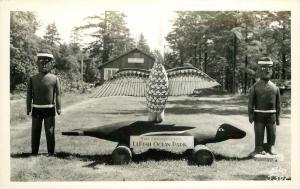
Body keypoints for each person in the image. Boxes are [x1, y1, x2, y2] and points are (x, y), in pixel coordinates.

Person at [26, 50, 61, 155]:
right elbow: (29, 95)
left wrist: (59, 107)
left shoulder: (55, 79)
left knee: (50, 132)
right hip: (36, 109)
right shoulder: (32, 79)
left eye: (47, 62)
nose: (44, 65)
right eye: (41, 62)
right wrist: (28, 107)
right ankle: (34, 152)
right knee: (35, 131)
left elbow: (58, 94)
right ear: (37, 63)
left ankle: (51, 152)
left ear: (51, 64)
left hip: (49, 108)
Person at [248, 57, 281, 157]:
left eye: (269, 68)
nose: (267, 70)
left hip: (272, 116)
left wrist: (278, 117)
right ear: (259, 70)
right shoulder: (255, 87)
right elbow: (251, 103)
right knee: (259, 132)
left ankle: (271, 146)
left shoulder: (275, 88)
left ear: (272, 70)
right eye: (263, 68)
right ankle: (258, 147)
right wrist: (250, 114)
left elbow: (278, 104)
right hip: (259, 116)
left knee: (272, 132)